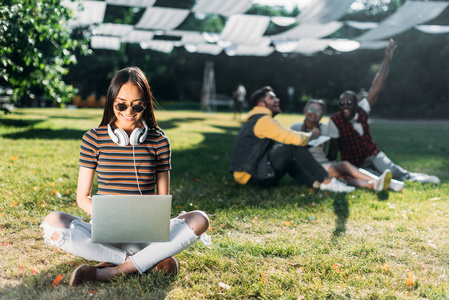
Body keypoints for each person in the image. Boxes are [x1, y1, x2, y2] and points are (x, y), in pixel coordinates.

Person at [40, 67, 211, 287]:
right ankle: (146, 261)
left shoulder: (159, 140)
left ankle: (112, 271)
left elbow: (163, 198)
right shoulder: (93, 139)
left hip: (147, 231)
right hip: (105, 230)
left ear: (146, 105)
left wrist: (144, 220)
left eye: (137, 105)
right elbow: (83, 197)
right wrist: (111, 216)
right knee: (53, 222)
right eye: (121, 104)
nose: (128, 111)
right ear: (111, 102)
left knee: (200, 219)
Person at [327, 39, 440, 185]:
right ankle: (389, 182)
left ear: (356, 104)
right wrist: (329, 169)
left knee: (392, 171)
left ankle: (413, 177)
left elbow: (376, 87)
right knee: (374, 177)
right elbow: (333, 149)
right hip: (356, 163)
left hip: (373, 154)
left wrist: (387, 60)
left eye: (349, 102)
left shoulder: (363, 109)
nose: (345, 105)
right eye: (341, 103)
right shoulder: (335, 122)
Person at [229, 86, 355, 193]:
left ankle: (318, 184)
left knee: (287, 155)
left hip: (244, 175)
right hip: (250, 176)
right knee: (292, 146)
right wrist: (312, 135)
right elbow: (294, 139)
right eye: (272, 98)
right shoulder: (263, 120)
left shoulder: (255, 119)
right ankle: (326, 181)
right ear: (261, 104)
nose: (277, 100)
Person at [291, 99, 394, 192]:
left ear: (322, 115)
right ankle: (383, 181)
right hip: (310, 166)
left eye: (318, 111)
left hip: (325, 163)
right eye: (311, 109)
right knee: (344, 166)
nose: (314, 113)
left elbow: (333, 149)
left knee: (344, 177)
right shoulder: (296, 127)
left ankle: (373, 185)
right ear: (305, 111)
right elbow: (290, 151)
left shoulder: (326, 129)